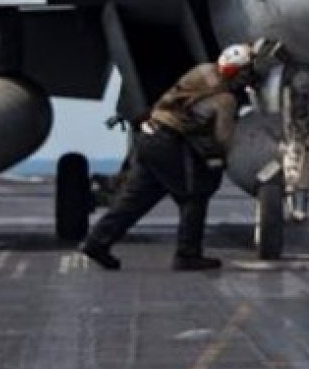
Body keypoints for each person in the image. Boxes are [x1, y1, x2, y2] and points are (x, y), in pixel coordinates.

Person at [80, 44, 258, 271]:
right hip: (169, 143)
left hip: (148, 138)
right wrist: (224, 156)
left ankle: (97, 242)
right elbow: (222, 138)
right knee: (195, 194)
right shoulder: (225, 99)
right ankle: (188, 254)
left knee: (134, 200)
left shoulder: (202, 70)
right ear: (237, 73)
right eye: (245, 73)